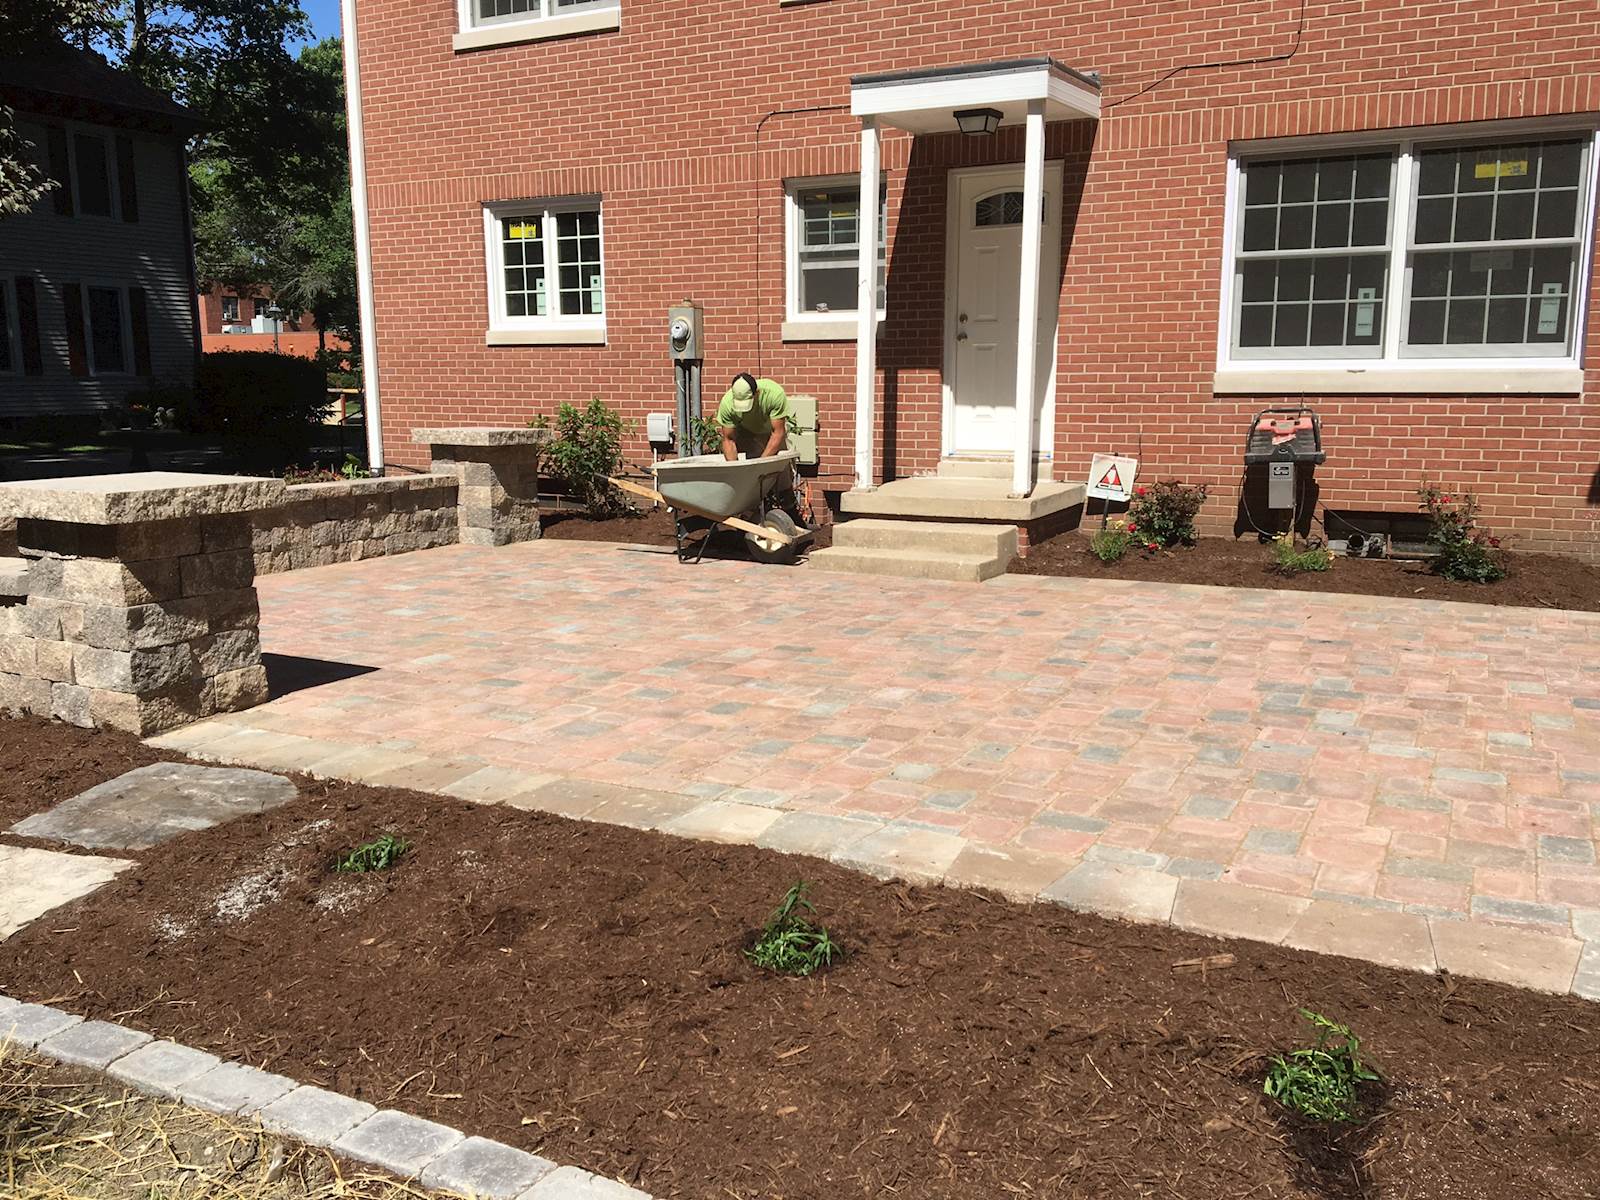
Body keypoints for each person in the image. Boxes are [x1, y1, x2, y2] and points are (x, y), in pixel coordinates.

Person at [715, 373, 792, 461]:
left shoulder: (774, 394)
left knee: (779, 468)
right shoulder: (727, 404)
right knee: (750, 466)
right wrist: (734, 470)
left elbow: (778, 433)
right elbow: (728, 439)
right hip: (746, 429)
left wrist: (761, 464)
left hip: (771, 430)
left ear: (757, 393)